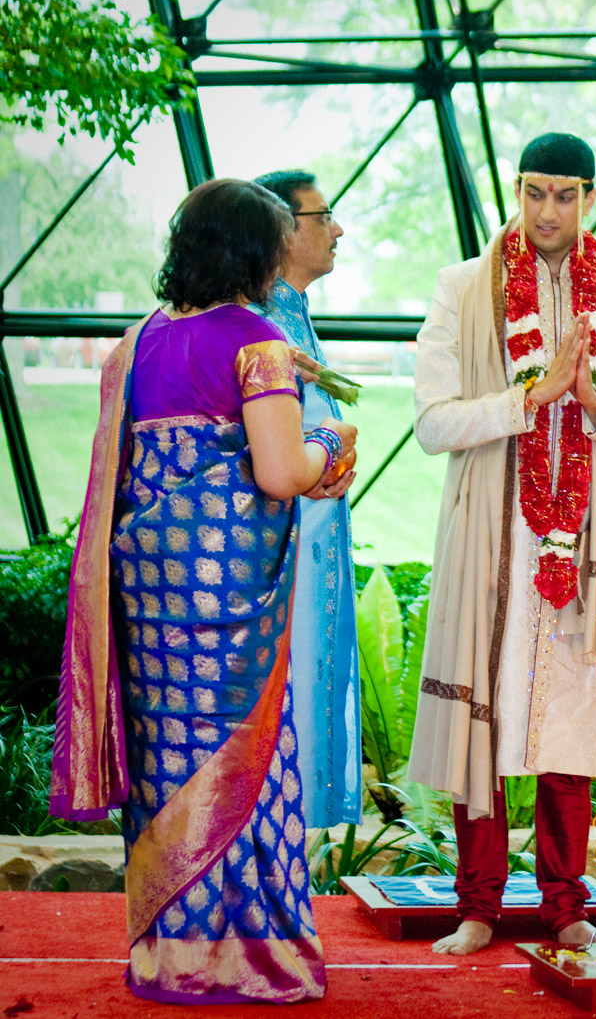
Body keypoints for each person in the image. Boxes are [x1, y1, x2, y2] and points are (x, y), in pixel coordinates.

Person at [51, 179, 357, 1002]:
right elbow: (279, 471)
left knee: (167, 761)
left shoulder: (135, 343)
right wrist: (330, 440)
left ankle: (168, 955)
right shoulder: (256, 343)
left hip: (148, 606)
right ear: (255, 255)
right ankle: (254, 962)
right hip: (229, 616)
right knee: (247, 764)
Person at [407, 133, 596, 955]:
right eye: (535, 192)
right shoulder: (461, 288)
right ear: (516, 191)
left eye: (565, 195)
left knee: (570, 727)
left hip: (581, 537)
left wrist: (586, 402)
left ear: (590, 197)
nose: (548, 211)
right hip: (491, 531)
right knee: (487, 713)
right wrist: (529, 396)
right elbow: (433, 422)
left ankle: (564, 905)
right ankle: (477, 905)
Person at [251, 170, 361, 830]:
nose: (337, 229)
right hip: (280, 548)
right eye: (325, 217)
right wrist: (330, 444)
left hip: (313, 537)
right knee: (287, 694)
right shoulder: (261, 324)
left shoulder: (291, 312)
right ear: (284, 231)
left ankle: (301, 843)